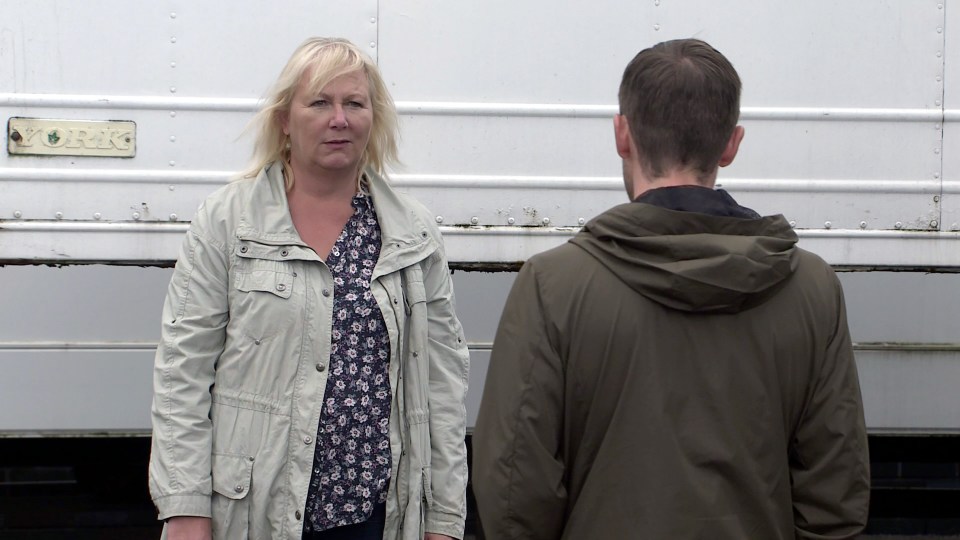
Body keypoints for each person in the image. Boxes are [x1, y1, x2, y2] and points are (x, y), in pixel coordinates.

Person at [472, 38, 870, 539]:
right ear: (731, 143)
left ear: (622, 134)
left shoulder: (554, 285)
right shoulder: (812, 289)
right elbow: (836, 490)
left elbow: (513, 491)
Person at [148, 37, 470, 540]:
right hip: (257, 513)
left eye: (354, 103)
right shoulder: (228, 222)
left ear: (373, 117)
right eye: (319, 102)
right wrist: (186, 509)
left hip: (373, 518)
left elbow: (442, 388)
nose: (338, 119)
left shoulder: (414, 234)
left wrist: (445, 520)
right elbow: (182, 374)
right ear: (284, 119)